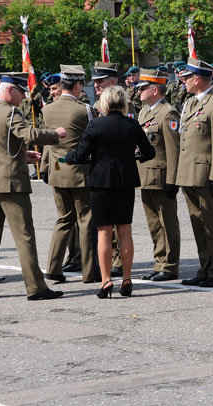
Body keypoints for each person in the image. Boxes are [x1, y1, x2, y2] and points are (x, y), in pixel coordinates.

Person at [0, 73, 66, 301]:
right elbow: (28, 133)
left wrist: (20, 154)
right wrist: (54, 134)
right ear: (9, 91)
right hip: (12, 183)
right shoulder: (11, 112)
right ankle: (35, 287)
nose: (23, 97)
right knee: (24, 236)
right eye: (20, 91)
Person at [65, 86, 154, 298]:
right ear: (123, 103)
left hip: (101, 183)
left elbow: (79, 155)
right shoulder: (132, 124)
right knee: (125, 231)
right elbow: (149, 152)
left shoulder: (96, 124)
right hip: (125, 182)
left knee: (104, 232)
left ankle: (106, 281)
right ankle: (127, 278)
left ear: (104, 103)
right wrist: (134, 158)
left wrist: (68, 156)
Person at [176, 58, 213, 287]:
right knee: (197, 223)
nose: (183, 82)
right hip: (188, 173)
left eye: (187, 78)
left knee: (211, 222)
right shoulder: (190, 103)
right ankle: (205, 266)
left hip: (206, 173)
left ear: (197, 79)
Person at [41, 65, 99, 285]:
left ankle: (53, 268)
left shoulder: (48, 109)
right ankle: (89, 271)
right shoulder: (83, 109)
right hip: (79, 171)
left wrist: (45, 167)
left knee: (63, 219)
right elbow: (91, 139)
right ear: (76, 85)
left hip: (57, 170)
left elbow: (47, 142)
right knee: (86, 220)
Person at [90, 61, 136, 277]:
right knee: (114, 228)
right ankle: (116, 263)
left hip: (112, 174)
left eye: (101, 81)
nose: (97, 85)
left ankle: (116, 265)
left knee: (112, 228)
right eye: (95, 82)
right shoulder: (96, 105)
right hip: (115, 175)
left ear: (113, 82)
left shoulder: (127, 107)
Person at [136, 69, 182, 282]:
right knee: (154, 224)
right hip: (146, 176)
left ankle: (170, 265)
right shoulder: (144, 112)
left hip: (162, 177)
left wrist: (173, 180)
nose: (139, 92)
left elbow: (173, 149)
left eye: (143, 88)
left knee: (167, 223)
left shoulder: (167, 113)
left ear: (155, 89)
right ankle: (159, 261)